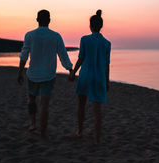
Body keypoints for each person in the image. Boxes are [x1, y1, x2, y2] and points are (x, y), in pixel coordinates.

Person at [17, 9, 73, 139]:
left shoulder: (29, 35)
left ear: (37, 20)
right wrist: (70, 70)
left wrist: (20, 72)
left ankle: (32, 124)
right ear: (49, 20)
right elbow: (63, 55)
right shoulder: (56, 36)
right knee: (44, 104)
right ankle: (43, 132)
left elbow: (24, 55)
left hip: (32, 74)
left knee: (31, 100)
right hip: (48, 75)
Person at [70, 9, 111, 144]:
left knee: (81, 105)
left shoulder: (85, 39)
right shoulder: (107, 43)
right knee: (97, 110)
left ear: (90, 25)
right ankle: (97, 139)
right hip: (99, 78)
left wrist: (73, 72)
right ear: (101, 26)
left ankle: (80, 131)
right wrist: (107, 81)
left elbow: (81, 58)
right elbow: (106, 65)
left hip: (85, 76)